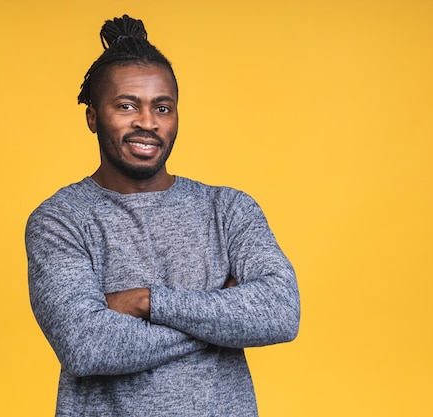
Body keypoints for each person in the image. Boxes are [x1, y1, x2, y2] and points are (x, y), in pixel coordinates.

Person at [26, 14, 300, 417]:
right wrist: (219, 314)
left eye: (163, 107)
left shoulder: (228, 209)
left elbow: (280, 312)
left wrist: (143, 302)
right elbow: (86, 345)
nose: (147, 122)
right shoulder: (61, 220)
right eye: (126, 105)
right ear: (92, 117)